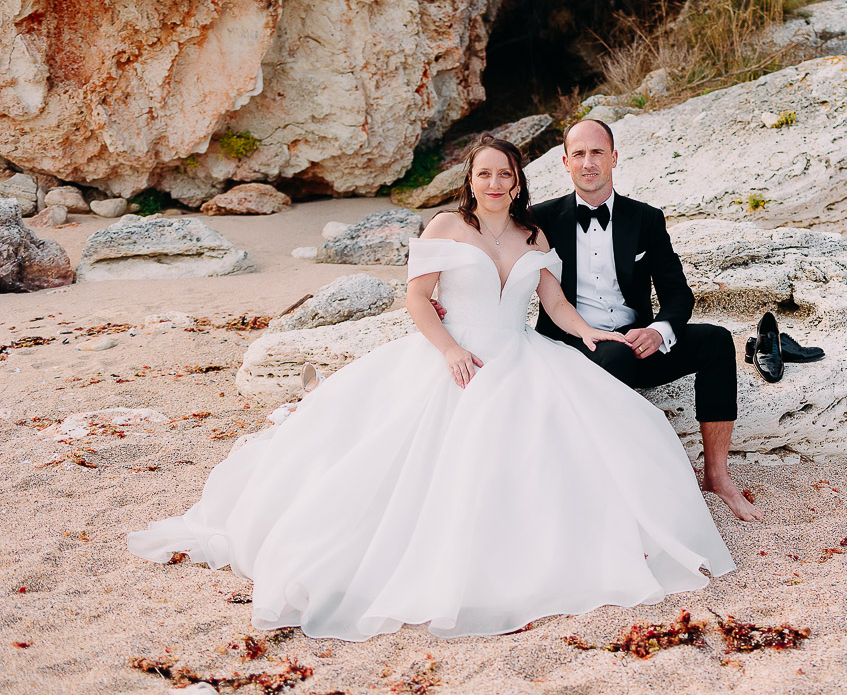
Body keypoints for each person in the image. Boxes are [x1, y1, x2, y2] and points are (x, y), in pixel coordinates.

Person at [126, 135, 734, 641]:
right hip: (454, 355)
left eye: (505, 174)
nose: (494, 182)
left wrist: (592, 335)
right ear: (470, 180)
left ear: (518, 183)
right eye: (484, 173)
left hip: (521, 353)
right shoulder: (445, 225)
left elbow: (555, 303)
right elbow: (418, 299)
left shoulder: (534, 235)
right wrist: (449, 350)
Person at [532, 118, 765, 522]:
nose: (589, 162)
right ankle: (621, 490)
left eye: (597, 152)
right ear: (566, 163)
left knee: (716, 340)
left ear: (614, 158)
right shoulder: (540, 219)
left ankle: (717, 475)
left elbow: (678, 294)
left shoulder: (645, 218)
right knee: (615, 358)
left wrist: (658, 331)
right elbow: (494, 248)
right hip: (573, 345)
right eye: (579, 154)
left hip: (636, 342)